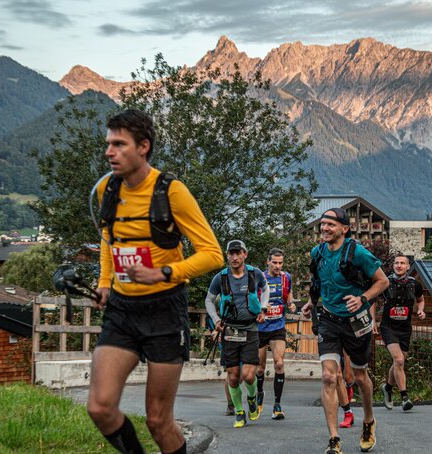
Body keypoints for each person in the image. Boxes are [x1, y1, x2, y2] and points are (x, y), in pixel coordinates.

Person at [88, 109, 222, 454]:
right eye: (108, 144)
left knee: (158, 421)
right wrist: (105, 282)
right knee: (100, 407)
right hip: (121, 309)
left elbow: (212, 254)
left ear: (143, 147)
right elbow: (109, 241)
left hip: (164, 311)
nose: (109, 152)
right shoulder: (107, 188)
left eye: (119, 144)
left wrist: (164, 272)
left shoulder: (171, 191)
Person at [301, 208, 389, 454]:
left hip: (356, 320)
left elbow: (383, 281)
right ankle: (334, 439)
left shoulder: (358, 253)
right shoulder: (317, 253)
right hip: (328, 319)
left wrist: (363, 298)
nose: (325, 228)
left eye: (330, 224)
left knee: (360, 377)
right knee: (329, 376)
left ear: (344, 228)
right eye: (322, 224)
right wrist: (311, 301)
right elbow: (319, 281)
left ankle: (369, 420)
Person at [204, 240, 270, 428]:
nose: (234, 257)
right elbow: (209, 300)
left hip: (250, 328)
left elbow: (265, 290)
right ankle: (239, 411)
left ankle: (251, 398)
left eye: (238, 253)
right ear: (227, 256)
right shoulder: (221, 278)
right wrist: (216, 319)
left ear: (245, 254)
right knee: (233, 376)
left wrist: (263, 309)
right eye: (231, 254)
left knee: (249, 375)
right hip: (229, 330)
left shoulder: (254, 273)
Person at [379, 254, 425, 412]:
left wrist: (420, 310)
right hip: (388, 326)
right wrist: (372, 321)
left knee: (400, 361)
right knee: (398, 359)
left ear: (408, 267)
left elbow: (420, 299)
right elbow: (372, 301)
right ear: (393, 266)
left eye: (402, 263)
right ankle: (405, 397)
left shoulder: (414, 284)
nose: (399, 265)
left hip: (405, 327)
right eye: (396, 263)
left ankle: (388, 387)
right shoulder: (385, 282)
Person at [256, 248, 297, 419]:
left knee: (279, 364)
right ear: (268, 262)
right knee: (259, 369)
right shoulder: (260, 278)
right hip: (259, 328)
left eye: (280, 263)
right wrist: (259, 311)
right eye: (274, 262)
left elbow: (288, 297)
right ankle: (259, 395)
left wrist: (291, 304)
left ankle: (277, 405)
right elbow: (252, 298)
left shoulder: (285, 277)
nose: (278, 266)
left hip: (277, 326)